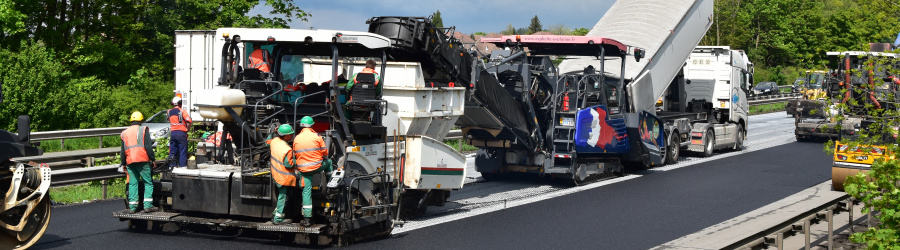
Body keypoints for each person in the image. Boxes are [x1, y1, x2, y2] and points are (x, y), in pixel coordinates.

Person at [292, 116, 333, 227]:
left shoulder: (297, 138)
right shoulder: (317, 136)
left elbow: (295, 153)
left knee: (306, 192)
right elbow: (325, 152)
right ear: (312, 125)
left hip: (303, 170)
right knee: (328, 162)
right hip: (316, 166)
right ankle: (331, 187)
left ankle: (307, 219)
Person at [120, 111, 157, 213]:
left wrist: (123, 163)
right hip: (142, 160)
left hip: (130, 161)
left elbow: (123, 151)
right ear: (141, 121)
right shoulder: (143, 130)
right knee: (148, 183)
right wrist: (153, 159)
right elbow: (148, 147)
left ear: (131, 121)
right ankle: (148, 206)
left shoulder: (125, 132)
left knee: (133, 184)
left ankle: (132, 208)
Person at [266, 124, 297, 225]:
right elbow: (289, 165)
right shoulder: (287, 149)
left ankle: (276, 213)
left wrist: (273, 134)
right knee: (283, 196)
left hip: (276, 173)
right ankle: (278, 219)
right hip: (284, 176)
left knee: (282, 195)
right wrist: (298, 160)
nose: (292, 136)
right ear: (286, 136)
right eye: (290, 134)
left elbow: (267, 142)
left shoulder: (274, 141)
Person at [168, 96, 192, 168]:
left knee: (173, 149)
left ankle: (171, 166)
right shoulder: (182, 111)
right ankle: (182, 167)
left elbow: (169, 119)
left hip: (173, 133)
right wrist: (187, 129)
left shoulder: (169, 112)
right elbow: (189, 121)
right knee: (182, 150)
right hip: (181, 133)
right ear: (180, 103)